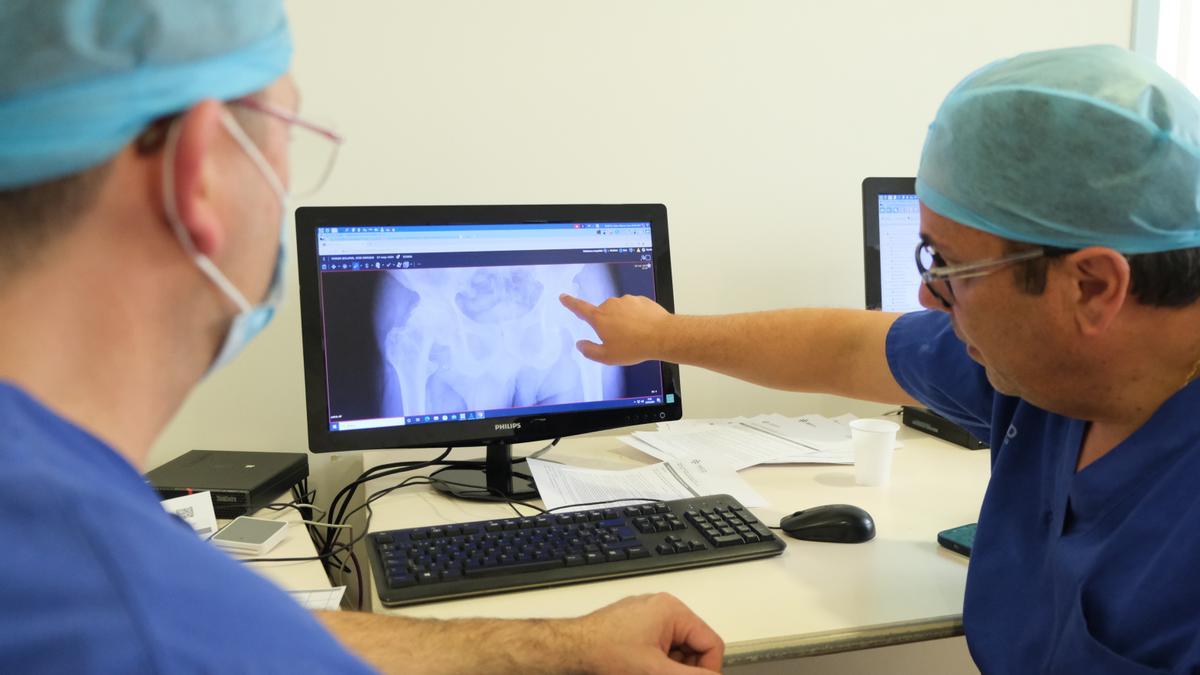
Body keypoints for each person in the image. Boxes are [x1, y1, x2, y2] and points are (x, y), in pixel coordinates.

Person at [0, 2, 723, 673]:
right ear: (201, 176)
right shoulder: (130, 609)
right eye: (287, 135)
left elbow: (237, 625)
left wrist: (564, 644)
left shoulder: (67, 549)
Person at [564, 44, 1200, 672]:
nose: (927, 293)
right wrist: (658, 334)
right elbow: (842, 347)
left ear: (1090, 287)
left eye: (952, 266)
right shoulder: (1040, 372)